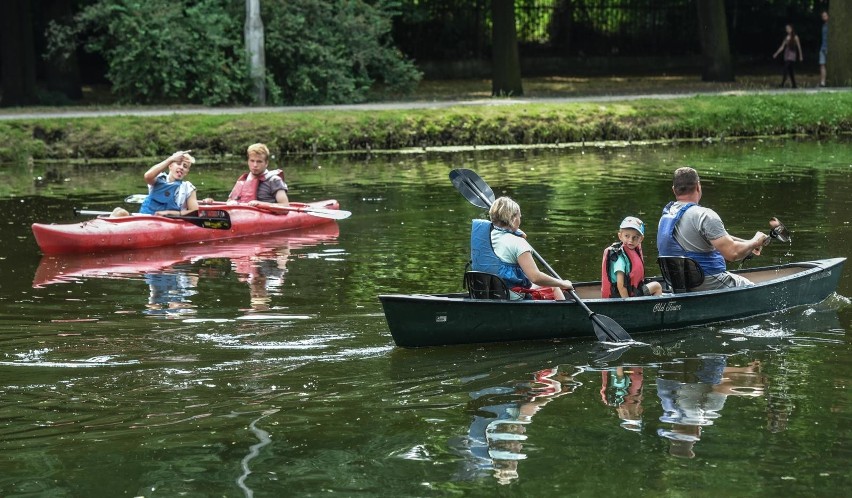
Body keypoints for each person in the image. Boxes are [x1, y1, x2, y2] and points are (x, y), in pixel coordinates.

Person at [657, 167, 769, 291]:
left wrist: (747, 244)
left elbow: (710, 236)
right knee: (753, 287)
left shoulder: (666, 215)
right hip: (707, 283)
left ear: (674, 190)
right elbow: (733, 254)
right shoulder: (705, 215)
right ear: (698, 187)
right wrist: (755, 241)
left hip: (678, 285)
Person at [471, 196, 573, 300]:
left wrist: (515, 231)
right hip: (510, 296)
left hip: (486, 292)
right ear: (514, 219)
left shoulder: (484, 238)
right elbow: (535, 277)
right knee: (554, 286)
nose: (520, 220)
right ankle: (564, 315)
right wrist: (563, 283)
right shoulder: (518, 242)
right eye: (520, 217)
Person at [112, 150, 198, 217]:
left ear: (187, 172)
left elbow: (194, 211)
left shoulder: (188, 188)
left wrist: (168, 213)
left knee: (120, 212)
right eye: (178, 163)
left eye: (185, 166)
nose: (181, 167)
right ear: (170, 166)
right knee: (118, 211)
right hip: (146, 218)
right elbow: (147, 176)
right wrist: (171, 159)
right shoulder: (158, 178)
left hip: (170, 222)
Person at [205, 143, 289, 208]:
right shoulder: (243, 181)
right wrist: (212, 203)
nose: (255, 165)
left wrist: (260, 204)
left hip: (264, 217)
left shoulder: (274, 180)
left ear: (266, 163)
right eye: (252, 161)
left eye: (259, 161)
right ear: (248, 161)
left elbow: (285, 206)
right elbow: (228, 203)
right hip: (243, 216)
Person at [600, 216, 663, 298]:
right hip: (622, 297)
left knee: (655, 285)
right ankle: (653, 309)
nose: (630, 240)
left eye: (635, 237)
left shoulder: (633, 251)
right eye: (627, 236)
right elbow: (621, 286)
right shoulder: (620, 259)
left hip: (633, 292)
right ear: (620, 236)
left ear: (641, 239)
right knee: (657, 286)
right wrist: (629, 304)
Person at [772, 24, 802, 89]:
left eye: (788, 28)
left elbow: (799, 47)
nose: (787, 30)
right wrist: (776, 53)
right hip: (786, 54)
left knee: (786, 68)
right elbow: (782, 47)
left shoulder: (795, 37)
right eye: (786, 29)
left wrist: (800, 55)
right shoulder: (786, 37)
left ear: (791, 29)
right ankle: (794, 85)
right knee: (790, 70)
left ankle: (782, 83)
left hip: (792, 55)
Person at [819, 11, 829, 87]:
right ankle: (823, 82)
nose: (824, 17)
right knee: (822, 64)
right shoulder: (823, 26)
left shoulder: (830, 26)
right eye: (823, 16)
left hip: (828, 48)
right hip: (823, 47)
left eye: (825, 15)